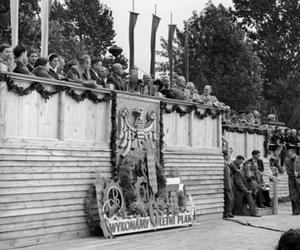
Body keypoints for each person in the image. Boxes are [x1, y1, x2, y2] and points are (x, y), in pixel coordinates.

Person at [285, 149, 300, 215]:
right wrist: (294, 175)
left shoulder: (299, 159)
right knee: (293, 195)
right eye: (288, 155)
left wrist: (298, 174)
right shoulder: (287, 161)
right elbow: (288, 170)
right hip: (292, 180)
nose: (289, 156)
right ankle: (295, 211)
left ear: (294, 153)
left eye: (290, 155)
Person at [223, 150, 234, 218]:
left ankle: (229, 212)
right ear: (225, 156)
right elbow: (226, 176)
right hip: (227, 184)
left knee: (231, 199)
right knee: (229, 199)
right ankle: (227, 213)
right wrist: (228, 186)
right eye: (229, 155)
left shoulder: (227, 163)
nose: (230, 157)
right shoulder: (224, 164)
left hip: (230, 183)